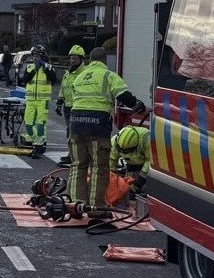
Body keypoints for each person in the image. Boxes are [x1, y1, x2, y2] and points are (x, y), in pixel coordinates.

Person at [67, 46, 147, 220]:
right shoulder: (108, 76)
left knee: (78, 164)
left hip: (76, 123)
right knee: (99, 167)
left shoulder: (79, 76)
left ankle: (75, 204)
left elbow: (74, 98)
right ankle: (96, 207)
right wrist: (136, 104)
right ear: (104, 61)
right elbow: (123, 94)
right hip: (97, 124)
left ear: (89, 60)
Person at [19, 44, 53, 158]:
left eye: (38, 56)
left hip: (43, 100)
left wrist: (45, 67)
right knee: (28, 124)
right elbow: (24, 80)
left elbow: (53, 80)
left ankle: (38, 146)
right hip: (30, 99)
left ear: (42, 57)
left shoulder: (48, 67)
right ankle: (37, 141)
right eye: (34, 56)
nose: (35, 58)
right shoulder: (29, 67)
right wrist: (35, 69)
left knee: (40, 124)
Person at [55, 45, 86, 166]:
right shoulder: (68, 73)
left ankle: (76, 156)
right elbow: (63, 88)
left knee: (76, 133)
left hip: (78, 107)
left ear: (81, 59)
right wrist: (59, 102)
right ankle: (71, 154)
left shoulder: (84, 73)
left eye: (75, 58)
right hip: (68, 107)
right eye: (71, 58)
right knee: (69, 132)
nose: (72, 61)